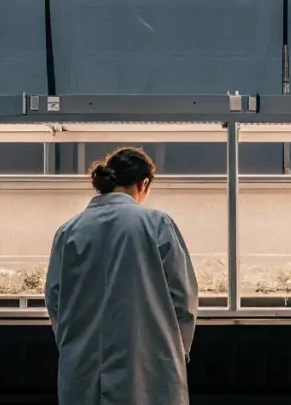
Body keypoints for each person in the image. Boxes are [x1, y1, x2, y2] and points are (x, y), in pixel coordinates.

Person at [45, 147, 199, 405]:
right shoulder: (156, 224)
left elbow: (54, 297)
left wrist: (74, 345)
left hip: (83, 367)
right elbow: (183, 297)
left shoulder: (69, 230)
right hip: (148, 366)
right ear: (144, 183)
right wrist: (176, 349)